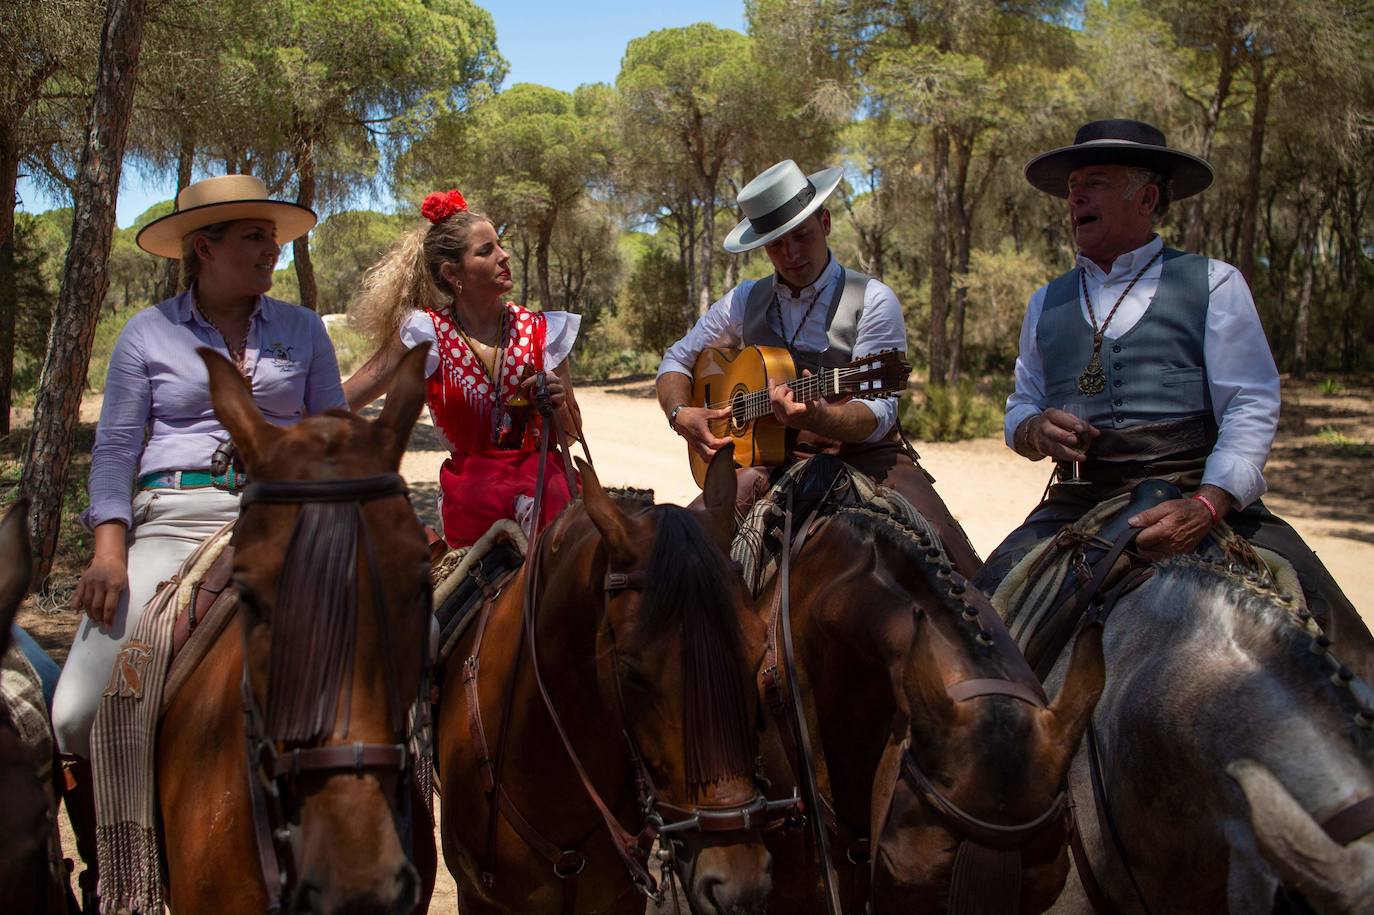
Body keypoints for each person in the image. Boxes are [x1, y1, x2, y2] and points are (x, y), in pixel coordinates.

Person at [51, 174, 346, 903]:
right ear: (203, 248)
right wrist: (110, 552)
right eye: (253, 236)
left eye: (272, 236)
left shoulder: (302, 329)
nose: (270, 248)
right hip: (175, 520)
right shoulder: (147, 334)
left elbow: (338, 432)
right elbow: (117, 451)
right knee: (74, 709)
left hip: (289, 515)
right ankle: (115, 869)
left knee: (414, 635)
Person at [977, 118, 1370, 663]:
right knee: (975, 623)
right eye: (1072, 189)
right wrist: (1033, 428)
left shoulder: (1214, 282)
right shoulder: (1047, 301)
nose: (1076, 197)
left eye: (1095, 182)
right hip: (1077, 502)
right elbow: (1022, 403)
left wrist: (1209, 504)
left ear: (1147, 197)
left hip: (1195, 494)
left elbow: (1251, 401)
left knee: (1341, 648)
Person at [656, 159, 981, 578]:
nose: (791, 255)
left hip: (863, 456)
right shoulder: (742, 300)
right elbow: (677, 359)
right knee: (683, 548)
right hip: (767, 461)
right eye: (776, 245)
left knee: (948, 556)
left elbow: (880, 413)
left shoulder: (874, 299)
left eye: (801, 236)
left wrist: (823, 417)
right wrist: (680, 414)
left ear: (824, 222)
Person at [344, 189, 581, 549]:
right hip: (471, 497)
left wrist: (560, 402)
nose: (504, 257)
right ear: (453, 272)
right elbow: (348, 396)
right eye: (486, 251)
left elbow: (574, 433)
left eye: (500, 245)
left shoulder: (544, 332)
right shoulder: (424, 334)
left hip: (546, 488)